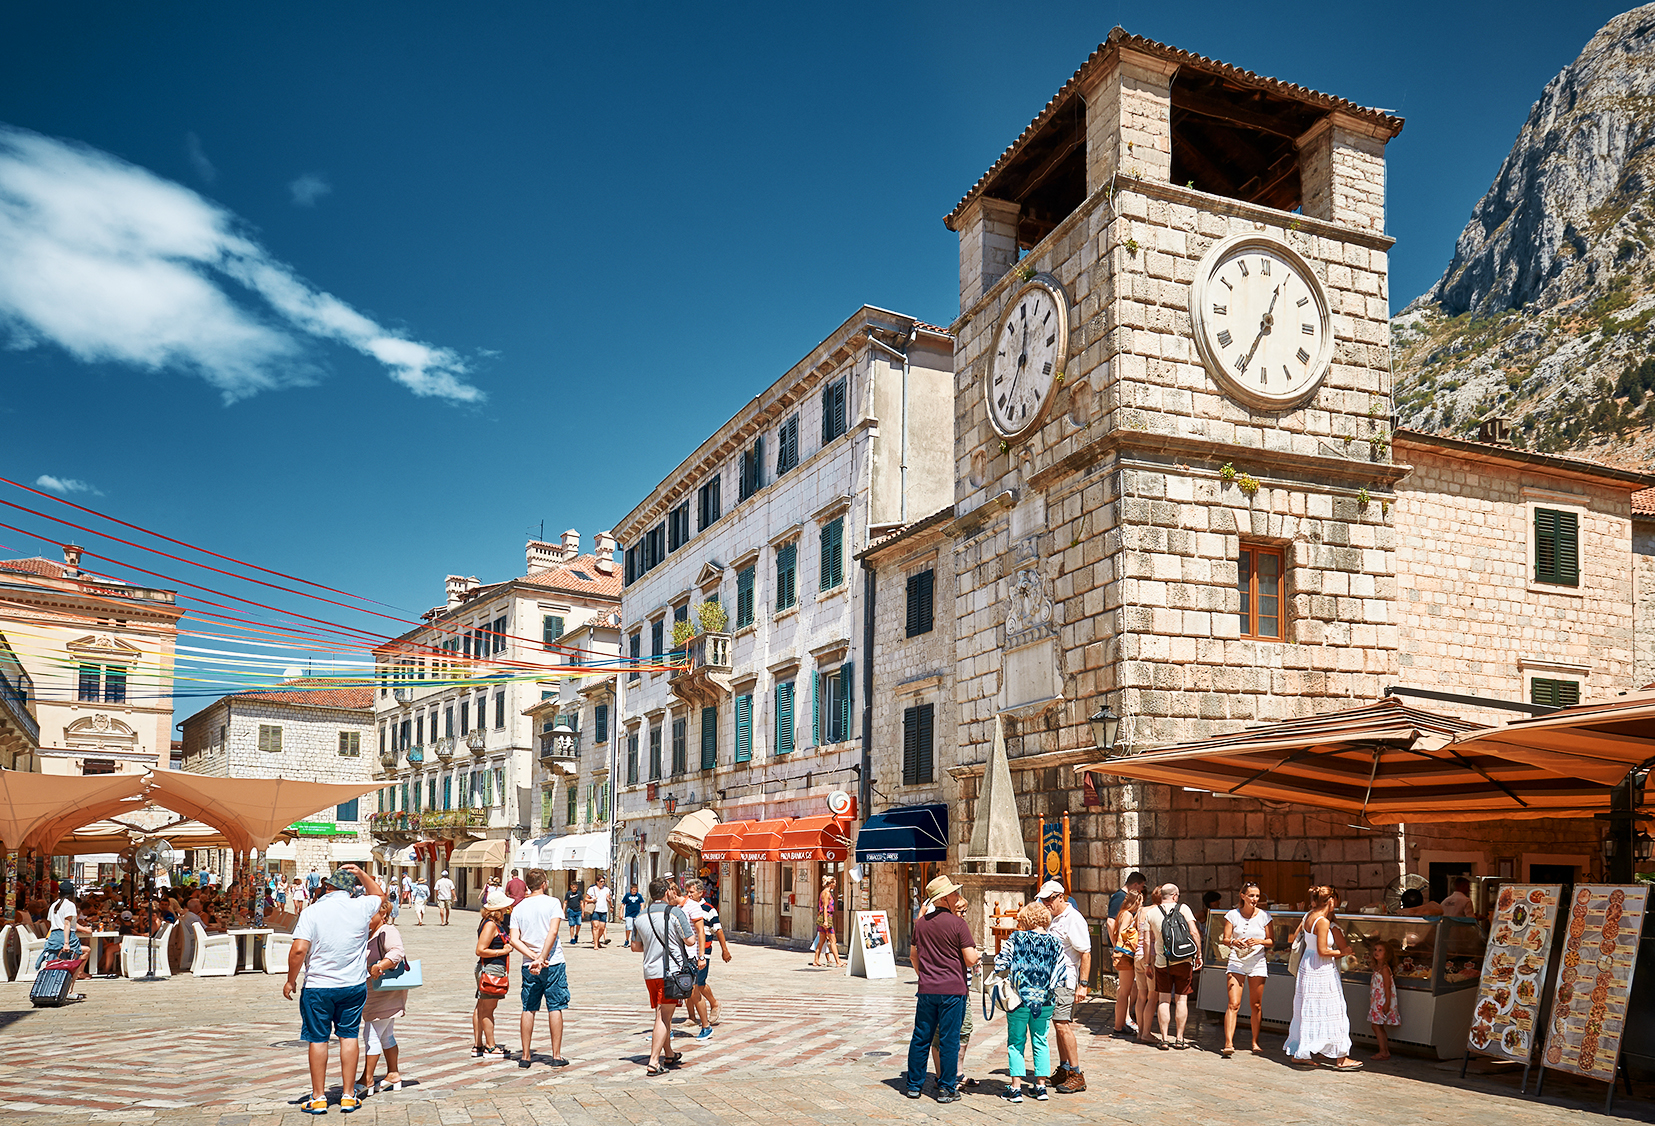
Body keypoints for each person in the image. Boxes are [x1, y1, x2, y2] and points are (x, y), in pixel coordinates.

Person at [283, 865, 384, 1115]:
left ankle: (318, 1097)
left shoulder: (312, 911)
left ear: (328, 887)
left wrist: (290, 980)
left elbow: (298, 950)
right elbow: (380, 896)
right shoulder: (361, 907)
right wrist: (362, 874)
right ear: (350, 889)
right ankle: (349, 1095)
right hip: (353, 984)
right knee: (348, 1036)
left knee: (318, 1039)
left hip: (319, 985)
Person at [904, 874, 979, 1103]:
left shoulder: (921, 925)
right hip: (953, 990)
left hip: (927, 989)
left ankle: (914, 1086)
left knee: (921, 1037)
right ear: (944, 898)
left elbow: (913, 956)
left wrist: (924, 976)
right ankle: (946, 1088)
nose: (957, 896)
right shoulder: (958, 924)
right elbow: (970, 959)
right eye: (954, 893)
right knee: (949, 1039)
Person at [1284, 885, 1361, 1070]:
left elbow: (1297, 939)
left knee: (1308, 1010)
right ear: (1331, 901)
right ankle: (1341, 1058)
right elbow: (1323, 950)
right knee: (1335, 1009)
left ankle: (1301, 1052)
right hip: (1321, 968)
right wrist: (1343, 952)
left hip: (1307, 965)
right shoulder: (1323, 922)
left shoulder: (1308, 916)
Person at [999, 901, 1064, 1103]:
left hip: (1018, 999)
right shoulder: (1055, 942)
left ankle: (1016, 1088)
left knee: (1016, 1042)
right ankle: (1041, 1087)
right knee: (1041, 1041)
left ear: (1026, 918)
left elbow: (1001, 961)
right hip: (1044, 1000)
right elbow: (1060, 974)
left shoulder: (1016, 938)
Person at [632, 876, 695, 1075]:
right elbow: (691, 940)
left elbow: (635, 947)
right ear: (667, 892)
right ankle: (653, 1061)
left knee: (661, 1012)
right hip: (672, 971)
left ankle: (669, 1053)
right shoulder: (675, 912)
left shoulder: (640, 916)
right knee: (663, 1016)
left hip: (650, 971)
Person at [508, 869, 568, 1068]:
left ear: (527, 885)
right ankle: (556, 1056)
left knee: (528, 1008)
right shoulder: (553, 903)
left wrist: (533, 957)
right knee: (555, 1007)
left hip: (529, 964)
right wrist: (542, 957)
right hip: (553, 962)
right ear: (544, 883)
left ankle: (525, 1056)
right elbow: (553, 931)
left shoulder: (518, 908)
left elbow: (514, 939)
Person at [1037, 881, 1091, 1093]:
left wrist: (1083, 985)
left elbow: (1085, 952)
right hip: (1052, 980)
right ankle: (1064, 1068)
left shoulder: (1073, 919)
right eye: (1044, 899)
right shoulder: (1053, 917)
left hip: (1066, 980)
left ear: (1061, 896)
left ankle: (1076, 1074)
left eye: (1049, 899)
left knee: (1062, 1024)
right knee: (1057, 1025)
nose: (1046, 903)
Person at [1143, 883, 1202, 1051]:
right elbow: (1194, 932)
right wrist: (1199, 955)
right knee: (1181, 999)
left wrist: (1148, 963)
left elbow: (1147, 941)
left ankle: (1164, 1039)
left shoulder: (1151, 913)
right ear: (1175, 895)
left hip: (1163, 962)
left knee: (1163, 1000)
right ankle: (1180, 1039)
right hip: (1183, 960)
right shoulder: (1184, 909)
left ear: (1161, 895)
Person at [359, 897, 407, 1093]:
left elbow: (397, 952)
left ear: (383, 914)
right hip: (377, 989)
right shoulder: (370, 933)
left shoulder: (387, 931)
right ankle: (393, 1074)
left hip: (384, 990)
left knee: (371, 1034)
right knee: (386, 1034)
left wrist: (380, 965)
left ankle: (366, 1079)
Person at [1220, 881, 1271, 1057]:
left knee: (1256, 1004)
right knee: (1234, 1003)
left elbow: (1271, 940)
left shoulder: (1264, 916)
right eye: (1251, 895)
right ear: (1243, 896)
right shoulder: (1232, 915)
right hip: (1237, 961)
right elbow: (1225, 938)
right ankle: (1228, 1042)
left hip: (1257, 961)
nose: (1254, 899)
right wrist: (1235, 942)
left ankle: (1255, 1042)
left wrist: (1260, 941)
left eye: (1257, 896)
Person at [473, 887, 514, 1058]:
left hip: (489, 967)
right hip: (491, 968)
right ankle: (490, 1046)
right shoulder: (490, 925)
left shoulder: (493, 923)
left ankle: (478, 1045)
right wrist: (502, 951)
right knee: (488, 1009)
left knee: (481, 1007)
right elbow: (480, 949)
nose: (507, 909)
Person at [681, 878, 719, 1037]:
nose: (689, 895)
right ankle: (691, 1017)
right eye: (687, 892)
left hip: (703, 952)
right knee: (687, 986)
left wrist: (724, 949)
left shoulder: (708, 909)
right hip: (687, 953)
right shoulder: (683, 907)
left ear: (701, 893)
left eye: (692, 892)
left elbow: (718, 930)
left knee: (699, 985)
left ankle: (714, 1004)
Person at [1110, 890, 1142, 1038]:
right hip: (1125, 956)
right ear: (1136, 902)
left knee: (1123, 992)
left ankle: (1121, 1023)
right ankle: (1118, 1026)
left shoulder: (1122, 913)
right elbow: (1123, 933)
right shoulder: (1128, 915)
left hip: (1121, 955)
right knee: (1124, 992)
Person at [1368, 941, 1401, 1060]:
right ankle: (1384, 1050)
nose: (1376, 952)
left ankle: (1383, 1051)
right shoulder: (1378, 968)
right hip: (1376, 1000)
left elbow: (1387, 987)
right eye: (1375, 950)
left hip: (1381, 1001)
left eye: (1380, 950)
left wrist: (1387, 1003)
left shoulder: (1385, 969)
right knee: (1377, 1025)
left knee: (1376, 1025)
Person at [812, 875, 841, 968]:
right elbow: (825, 907)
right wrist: (825, 921)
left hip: (827, 916)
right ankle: (838, 961)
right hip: (827, 917)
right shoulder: (826, 893)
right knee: (833, 940)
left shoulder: (827, 892)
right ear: (830, 884)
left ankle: (816, 960)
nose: (835, 885)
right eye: (834, 883)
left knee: (822, 940)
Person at [588, 875, 612, 949]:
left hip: (603, 910)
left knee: (602, 927)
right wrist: (592, 900)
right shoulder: (592, 889)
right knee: (595, 926)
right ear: (597, 882)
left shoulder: (606, 889)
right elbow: (586, 899)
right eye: (601, 881)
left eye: (603, 881)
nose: (602, 883)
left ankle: (597, 940)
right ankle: (595, 944)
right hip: (595, 910)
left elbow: (609, 899)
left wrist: (611, 905)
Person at [563, 878, 585, 946]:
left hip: (578, 910)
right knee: (572, 925)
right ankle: (572, 938)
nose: (574, 888)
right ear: (571, 887)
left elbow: (581, 902)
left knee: (578, 924)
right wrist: (563, 911)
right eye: (573, 887)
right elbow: (565, 902)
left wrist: (583, 912)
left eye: (576, 887)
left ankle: (576, 934)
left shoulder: (579, 893)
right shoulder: (568, 893)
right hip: (571, 910)